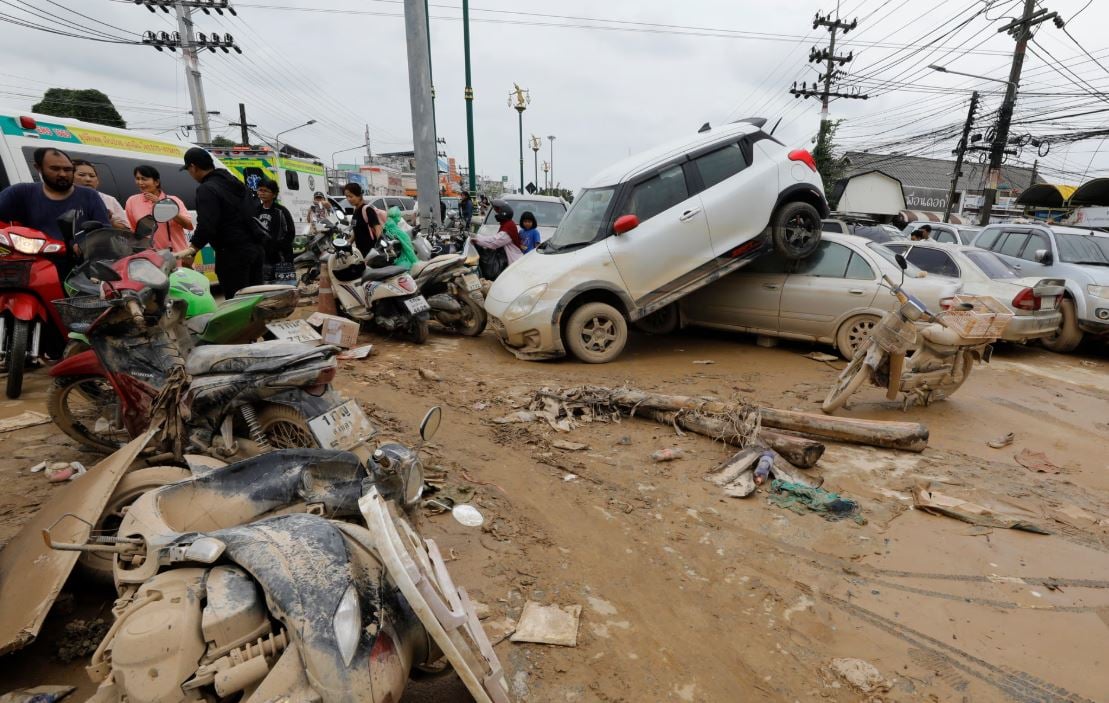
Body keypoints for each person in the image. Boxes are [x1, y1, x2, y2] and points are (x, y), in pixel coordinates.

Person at [179, 146, 263, 299]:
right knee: (255, 299)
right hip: (254, 250)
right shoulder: (233, 181)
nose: (190, 174)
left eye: (189, 170)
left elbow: (207, 225)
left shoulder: (206, 189)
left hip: (232, 255)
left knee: (237, 303)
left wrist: (193, 249)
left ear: (193, 167)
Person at [0, 147, 109, 243]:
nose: (62, 174)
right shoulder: (20, 192)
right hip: (34, 256)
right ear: (38, 168)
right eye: (55, 169)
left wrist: (86, 245)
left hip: (78, 259)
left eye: (67, 169)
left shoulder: (90, 195)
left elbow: (104, 232)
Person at [125, 164, 193, 253]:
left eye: (144, 179)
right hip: (148, 257)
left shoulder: (173, 200)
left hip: (175, 255)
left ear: (156, 182)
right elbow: (133, 231)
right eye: (137, 179)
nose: (140, 182)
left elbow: (188, 225)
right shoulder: (132, 201)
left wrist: (162, 205)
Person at [252, 178, 296, 276]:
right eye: (260, 190)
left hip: (281, 256)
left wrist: (277, 247)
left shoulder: (281, 211)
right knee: (265, 283)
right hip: (264, 257)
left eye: (266, 191)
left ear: (274, 194)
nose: (262, 193)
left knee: (284, 283)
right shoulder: (256, 210)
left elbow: (291, 233)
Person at [472, 198, 523, 278]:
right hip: (509, 261)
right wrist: (476, 236)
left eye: (498, 212)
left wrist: (476, 240)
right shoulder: (506, 224)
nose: (496, 214)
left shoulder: (509, 227)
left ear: (503, 213)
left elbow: (493, 243)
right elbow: (493, 238)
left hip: (513, 262)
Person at [72, 160, 128, 230]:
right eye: (82, 175)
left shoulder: (109, 200)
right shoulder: (64, 198)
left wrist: (107, 220)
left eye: (92, 176)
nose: (88, 179)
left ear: (98, 181)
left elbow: (126, 229)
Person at [343, 182, 382, 256]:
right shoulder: (355, 211)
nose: (348, 199)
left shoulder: (368, 210)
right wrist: (349, 242)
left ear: (359, 196)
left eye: (351, 196)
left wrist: (379, 247)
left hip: (371, 252)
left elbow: (378, 229)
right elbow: (356, 230)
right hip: (360, 252)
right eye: (347, 196)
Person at [382, 206, 419, 270]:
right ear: (397, 217)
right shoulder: (397, 231)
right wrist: (417, 263)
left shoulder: (385, 227)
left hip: (390, 260)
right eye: (399, 217)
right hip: (402, 263)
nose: (399, 219)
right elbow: (408, 249)